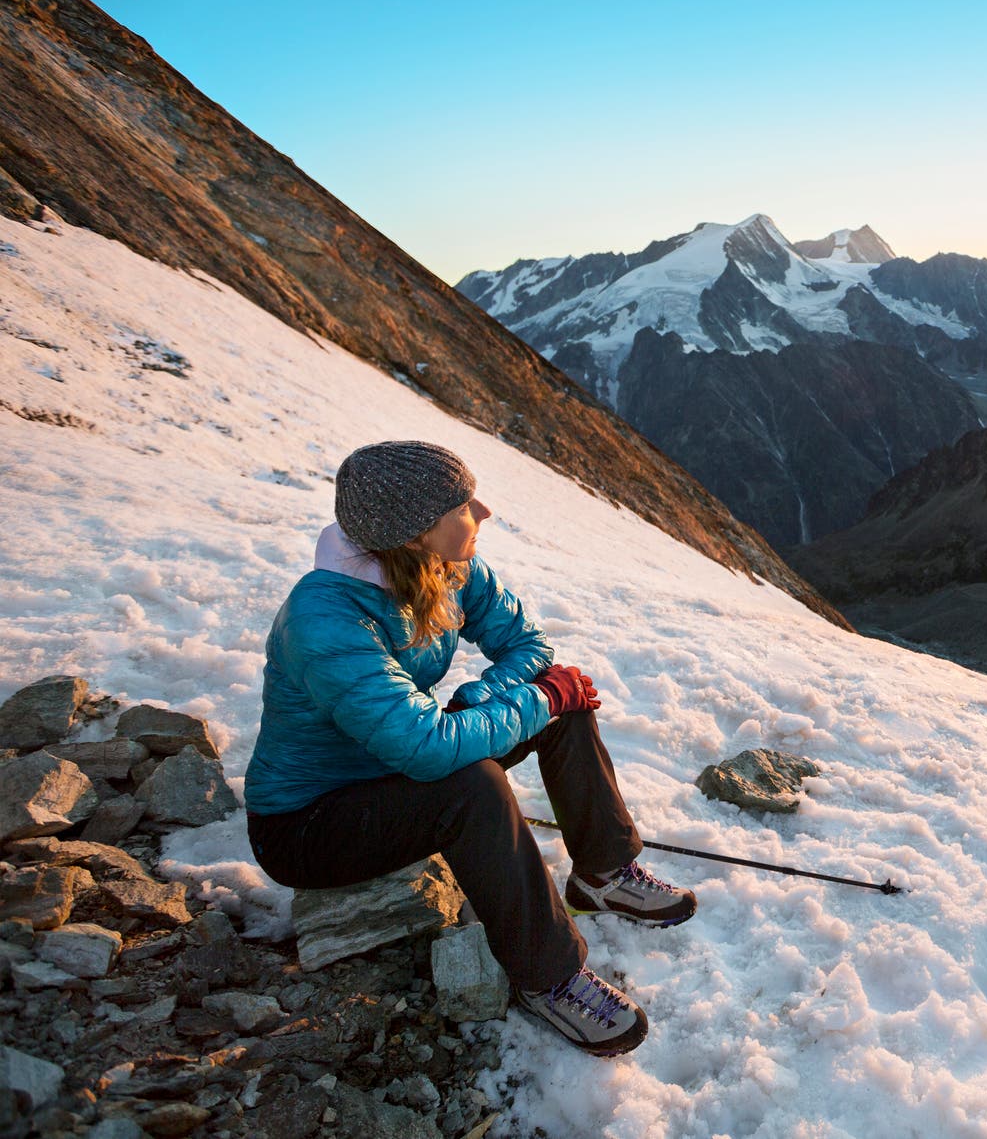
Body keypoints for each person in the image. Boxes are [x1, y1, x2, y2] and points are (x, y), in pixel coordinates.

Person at [244, 440, 693, 1058]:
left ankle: (602, 872)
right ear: (414, 531)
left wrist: (501, 696)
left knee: (561, 699)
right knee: (474, 784)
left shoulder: (448, 567)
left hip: (394, 760)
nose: (481, 512)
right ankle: (550, 975)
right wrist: (528, 702)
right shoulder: (326, 620)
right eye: (461, 505)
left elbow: (528, 645)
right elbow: (428, 751)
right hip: (309, 823)